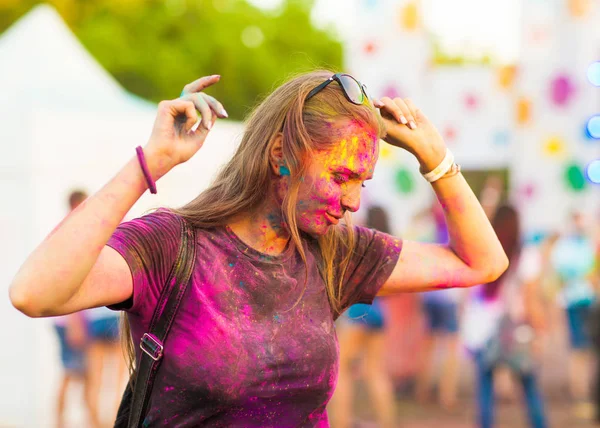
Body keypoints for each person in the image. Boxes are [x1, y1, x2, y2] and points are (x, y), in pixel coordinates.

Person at [9, 71, 508, 426]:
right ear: (281, 155)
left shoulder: (333, 253)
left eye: (363, 182)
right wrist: (153, 161)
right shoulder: (171, 246)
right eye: (341, 176)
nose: (354, 201)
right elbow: (35, 293)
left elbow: (482, 262)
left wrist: (434, 156)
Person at [461, 204, 548, 428]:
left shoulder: (483, 251)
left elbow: (471, 293)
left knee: (485, 389)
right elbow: (529, 299)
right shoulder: (526, 254)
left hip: (482, 328)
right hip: (514, 329)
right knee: (529, 387)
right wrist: (540, 329)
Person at [330, 205, 396, 428]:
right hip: (380, 311)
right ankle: (388, 423)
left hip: (360, 310)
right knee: (375, 371)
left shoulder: (363, 243)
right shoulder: (390, 247)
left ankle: (340, 423)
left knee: (342, 371)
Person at [414, 200, 462, 410]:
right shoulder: (455, 232)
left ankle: (422, 391)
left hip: (430, 295)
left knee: (429, 345)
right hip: (448, 297)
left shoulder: (427, 231)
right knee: (452, 349)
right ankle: (447, 395)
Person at [53, 190, 94, 428]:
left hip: (73, 319)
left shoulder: (66, 232)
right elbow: (66, 281)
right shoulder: (71, 234)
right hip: (70, 320)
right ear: (76, 204)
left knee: (80, 374)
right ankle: (60, 422)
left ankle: (85, 420)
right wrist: (74, 324)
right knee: (72, 373)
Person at [551, 210, 597, 418]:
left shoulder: (586, 244)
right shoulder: (566, 247)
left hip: (588, 302)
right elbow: (564, 274)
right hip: (574, 302)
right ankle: (579, 392)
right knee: (578, 349)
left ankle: (584, 390)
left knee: (585, 350)